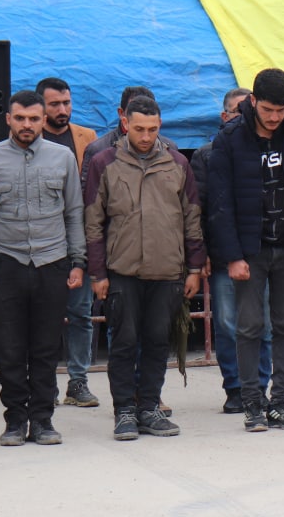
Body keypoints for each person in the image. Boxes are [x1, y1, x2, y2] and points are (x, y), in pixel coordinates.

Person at [208, 68, 284, 432]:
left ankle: (281, 402)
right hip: (250, 252)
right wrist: (233, 256)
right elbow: (219, 202)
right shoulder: (229, 140)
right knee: (249, 327)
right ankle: (252, 403)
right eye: (268, 109)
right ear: (253, 101)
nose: (274, 117)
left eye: (280, 110)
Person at [84, 96, 203, 440]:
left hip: (167, 272)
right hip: (122, 272)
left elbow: (192, 218)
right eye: (139, 129)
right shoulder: (104, 162)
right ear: (125, 124)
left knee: (156, 342)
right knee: (123, 343)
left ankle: (149, 408)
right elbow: (92, 222)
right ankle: (124, 411)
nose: (146, 136)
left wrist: (194, 268)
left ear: (160, 125)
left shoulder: (178, 163)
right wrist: (97, 273)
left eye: (152, 129)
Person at [0, 91, 85, 446]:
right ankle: (15, 421)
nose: (26, 125)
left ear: (43, 121)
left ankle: (43, 420)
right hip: (5, 262)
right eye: (20, 118)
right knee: (9, 348)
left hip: (52, 261)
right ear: (8, 119)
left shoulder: (63, 158)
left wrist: (78, 261)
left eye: (34, 119)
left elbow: (74, 212)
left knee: (46, 347)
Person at [191, 89, 272, 413]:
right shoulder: (206, 155)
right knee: (227, 324)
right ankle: (236, 388)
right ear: (225, 117)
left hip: (262, 252)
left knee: (263, 324)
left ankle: (260, 387)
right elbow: (199, 209)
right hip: (224, 254)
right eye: (239, 112)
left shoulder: (269, 148)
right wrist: (202, 253)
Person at [36, 76, 99, 408]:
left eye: (67, 103)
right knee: (41, 317)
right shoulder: (26, 137)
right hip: (40, 241)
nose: (62, 110)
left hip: (80, 238)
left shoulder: (88, 137)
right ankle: (43, 383)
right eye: (55, 104)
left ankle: (78, 382)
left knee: (80, 313)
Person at [82, 86, 177, 178]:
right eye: (133, 109)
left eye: (147, 110)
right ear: (121, 113)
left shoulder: (170, 149)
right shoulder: (98, 150)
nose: (141, 114)